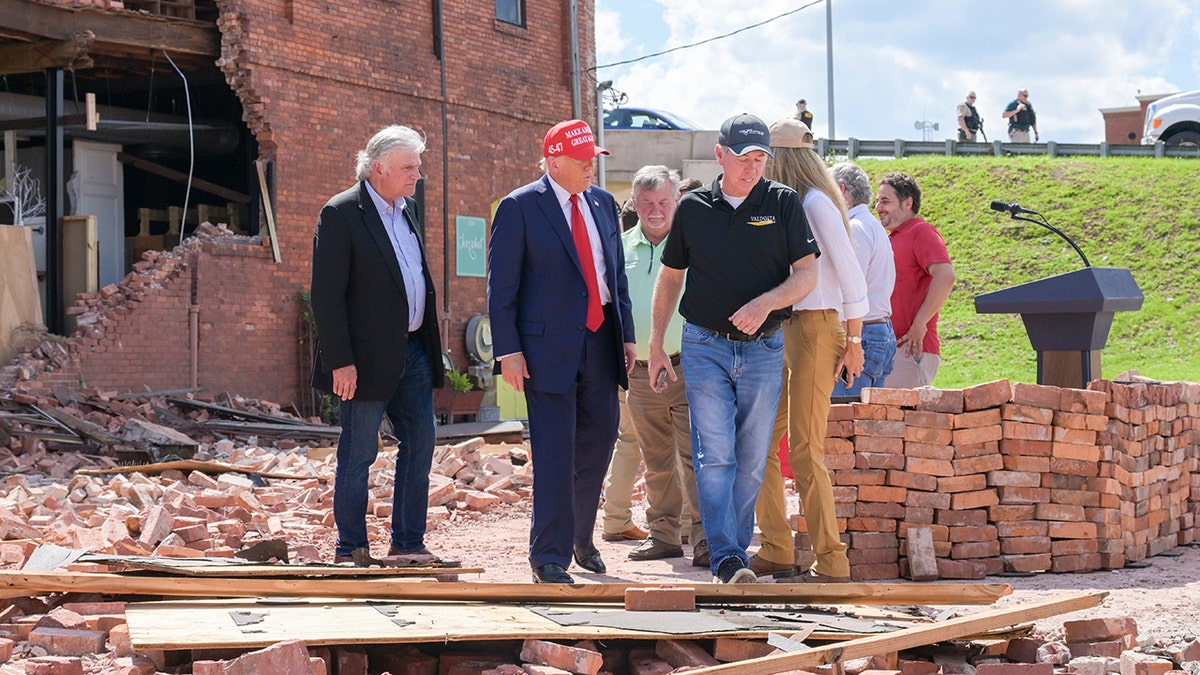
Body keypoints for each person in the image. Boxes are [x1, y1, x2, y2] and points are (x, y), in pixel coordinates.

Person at [648, 113, 819, 584]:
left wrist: (766, 303)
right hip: (704, 346)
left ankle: (735, 550)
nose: (753, 166)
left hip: (764, 349)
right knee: (716, 454)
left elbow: (807, 275)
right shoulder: (693, 208)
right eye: (744, 157)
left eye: (761, 157)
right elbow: (670, 278)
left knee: (751, 455)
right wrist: (657, 344)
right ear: (720, 155)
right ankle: (727, 557)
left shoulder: (782, 203)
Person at [487, 119, 638, 584]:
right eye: (582, 159)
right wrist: (508, 351)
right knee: (555, 453)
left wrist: (626, 334)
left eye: (594, 157)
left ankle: (580, 539)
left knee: (596, 446)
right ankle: (547, 556)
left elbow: (617, 277)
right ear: (554, 161)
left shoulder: (604, 203)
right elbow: (501, 288)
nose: (591, 165)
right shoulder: (519, 207)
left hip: (600, 342)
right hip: (544, 351)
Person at [309, 125, 446, 565]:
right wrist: (340, 361)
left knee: (421, 441)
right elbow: (326, 297)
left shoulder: (407, 211)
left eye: (418, 166)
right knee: (359, 453)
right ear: (379, 168)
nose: (417, 175)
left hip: (414, 351)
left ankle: (407, 542)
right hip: (363, 361)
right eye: (409, 167)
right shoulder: (341, 213)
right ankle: (350, 548)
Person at [751, 118, 868, 583]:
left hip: (819, 329)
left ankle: (832, 560)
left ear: (781, 159)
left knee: (803, 448)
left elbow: (852, 276)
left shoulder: (817, 203)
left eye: (764, 158)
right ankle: (777, 548)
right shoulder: (794, 203)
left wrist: (855, 340)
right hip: (790, 329)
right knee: (759, 440)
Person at [613, 165, 704, 565]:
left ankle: (705, 541)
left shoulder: (698, 247)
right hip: (639, 370)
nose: (655, 210)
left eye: (663, 202)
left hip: (689, 367)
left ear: (677, 201)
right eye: (647, 203)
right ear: (634, 202)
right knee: (656, 460)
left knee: (697, 458)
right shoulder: (618, 249)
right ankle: (664, 536)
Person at [874, 173, 956, 388]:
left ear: (907, 202)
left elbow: (946, 276)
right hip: (891, 349)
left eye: (885, 201)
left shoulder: (921, 231)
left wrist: (919, 324)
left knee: (903, 420)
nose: (878, 207)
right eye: (877, 201)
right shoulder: (891, 238)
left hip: (910, 348)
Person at [830, 161, 896, 396]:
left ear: (841, 189)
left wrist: (851, 339)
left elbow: (850, 288)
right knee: (865, 425)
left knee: (844, 422)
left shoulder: (855, 228)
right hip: (877, 330)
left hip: (862, 333)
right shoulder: (872, 226)